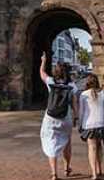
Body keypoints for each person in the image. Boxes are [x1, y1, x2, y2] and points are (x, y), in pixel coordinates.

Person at [40, 52, 77, 180]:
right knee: (67, 142)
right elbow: (74, 103)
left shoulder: (51, 82)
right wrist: (76, 117)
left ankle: (54, 174)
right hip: (65, 117)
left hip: (51, 117)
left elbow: (42, 73)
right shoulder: (71, 86)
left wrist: (43, 61)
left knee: (51, 144)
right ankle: (67, 168)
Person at [78, 74, 104, 180]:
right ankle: (100, 169)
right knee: (99, 147)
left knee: (92, 148)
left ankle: (94, 174)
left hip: (89, 125)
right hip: (101, 124)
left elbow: (81, 112)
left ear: (87, 83)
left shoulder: (83, 94)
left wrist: (80, 124)